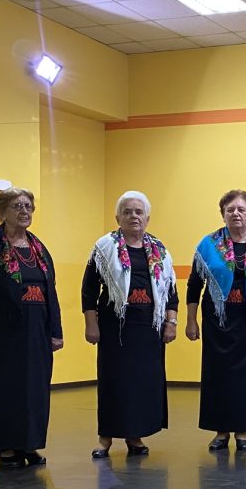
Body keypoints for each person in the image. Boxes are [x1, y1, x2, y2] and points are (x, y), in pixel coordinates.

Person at [0, 187, 63, 469]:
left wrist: (56, 330)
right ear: (2, 211)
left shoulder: (39, 249)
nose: (24, 211)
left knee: (33, 389)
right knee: (4, 388)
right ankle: (6, 446)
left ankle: (28, 443)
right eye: (17, 206)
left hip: (35, 331)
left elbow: (50, 291)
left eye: (28, 206)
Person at [83, 191, 178, 460]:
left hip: (149, 329)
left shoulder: (160, 250)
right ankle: (105, 438)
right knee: (114, 383)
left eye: (138, 212)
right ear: (118, 218)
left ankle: (135, 436)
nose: (133, 216)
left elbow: (171, 291)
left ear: (147, 218)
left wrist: (171, 322)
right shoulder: (104, 247)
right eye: (127, 212)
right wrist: (91, 324)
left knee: (142, 384)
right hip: (116, 329)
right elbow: (89, 290)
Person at [185, 190, 246, 452]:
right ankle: (221, 431)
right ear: (223, 214)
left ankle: (242, 431)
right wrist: (191, 321)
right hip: (218, 322)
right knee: (219, 377)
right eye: (230, 209)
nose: (236, 214)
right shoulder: (208, 246)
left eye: (241, 209)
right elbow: (194, 285)